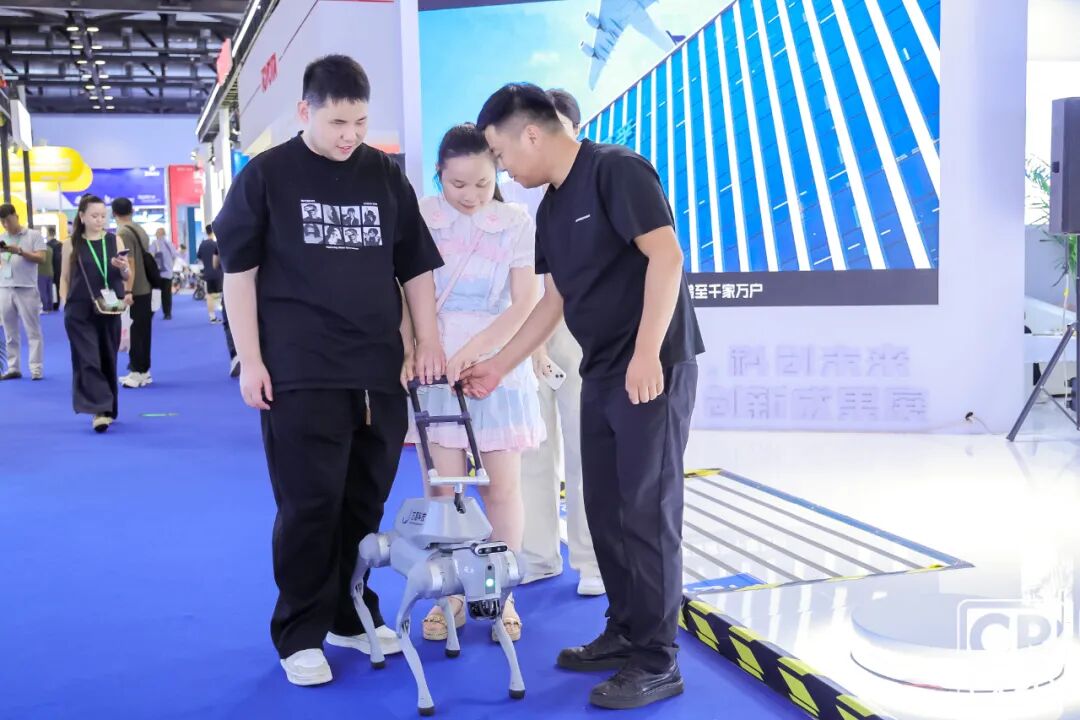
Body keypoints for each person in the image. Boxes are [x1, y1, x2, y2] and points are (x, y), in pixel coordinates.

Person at [466, 84, 704, 710]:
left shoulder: (617, 171)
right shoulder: (549, 208)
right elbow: (555, 302)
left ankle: (658, 659)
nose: (502, 170)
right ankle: (625, 630)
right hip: (600, 371)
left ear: (532, 134)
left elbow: (666, 257)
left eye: (501, 154)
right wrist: (499, 366)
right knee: (602, 507)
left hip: (652, 367)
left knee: (647, 512)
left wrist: (647, 352)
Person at [213, 54, 446, 688]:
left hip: (377, 371)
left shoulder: (385, 176)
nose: (350, 135)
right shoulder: (267, 176)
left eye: (361, 122)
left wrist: (427, 340)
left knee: (365, 501)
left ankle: (350, 612)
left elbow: (415, 268)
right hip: (300, 369)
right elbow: (239, 276)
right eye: (338, 122)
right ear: (305, 111)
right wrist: (251, 360)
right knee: (309, 505)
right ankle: (300, 632)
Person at [403, 123, 543, 645]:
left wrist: (479, 351)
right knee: (443, 492)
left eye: (483, 183)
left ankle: (500, 594)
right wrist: (415, 346)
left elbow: (525, 302)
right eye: (457, 183)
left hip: (497, 367)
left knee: (500, 490)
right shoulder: (421, 214)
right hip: (434, 366)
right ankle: (451, 595)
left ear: (497, 173)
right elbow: (404, 290)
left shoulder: (516, 221)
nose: (470, 195)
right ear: (439, 173)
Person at [504, 89, 603, 597]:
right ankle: (538, 554)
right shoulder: (512, 187)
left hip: (580, 328)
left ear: (575, 130)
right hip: (523, 328)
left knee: (587, 447)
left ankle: (592, 560)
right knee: (531, 449)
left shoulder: (596, 180)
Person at [59, 195, 132, 432]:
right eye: (94, 216)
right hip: (79, 310)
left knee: (107, 358)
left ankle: (108, 409)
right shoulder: (71, 244)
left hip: (109, 307)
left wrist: (124, 268)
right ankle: (99, 409)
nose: (100, 220)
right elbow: (64, 278)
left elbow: (126, 276)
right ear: (81, 216)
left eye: (103, 215)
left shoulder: (115, 240)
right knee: (88, 358)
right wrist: (65, 302)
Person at [0, 204, 47, 380]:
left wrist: (19, 251)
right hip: (5, 288)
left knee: (33, 331)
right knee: (9, 332)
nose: (6, 225)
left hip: (27, 288)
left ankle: (36, 368)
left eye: (8, 220)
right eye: (2, 222)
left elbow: (41, 258)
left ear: (16, 216)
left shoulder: (33, 235)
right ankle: (13, 367)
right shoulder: (2, 237)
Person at [112, 198, 155, 389]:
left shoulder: (123, 232)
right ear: (132, 211)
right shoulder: (139, 229)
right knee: (143, 330)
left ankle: (138, 371)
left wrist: (128, 290)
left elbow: (129, 262)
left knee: (135, 331)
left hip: (135, 289)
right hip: (145, 286)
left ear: (114, 213)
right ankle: (143, 370)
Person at [197, 224, 223, 323]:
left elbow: (199, 257)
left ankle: (212, 317)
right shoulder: (217, 244)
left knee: (210, 295)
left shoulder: (202, 245)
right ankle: (225, 316)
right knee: (221, 295)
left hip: (207, 273)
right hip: (218, 273)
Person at [151, 227, 178, 320]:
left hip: (158, 273)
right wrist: (170, 266)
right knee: (167, 294)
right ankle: (167, 313)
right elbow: (175, 256)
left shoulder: (155, 243)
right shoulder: (170, 244)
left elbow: (150, 256)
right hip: (168, 273)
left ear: (158, 234)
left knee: (155, 293)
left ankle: (152, 312)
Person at [47, 227, 63, 310]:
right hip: (59, 268)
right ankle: (57, 304)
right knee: (58, 286)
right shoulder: (60, 244)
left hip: (50, 268)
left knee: (50, 287)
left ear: (48, 233)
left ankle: (52, 304)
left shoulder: (47, 245)